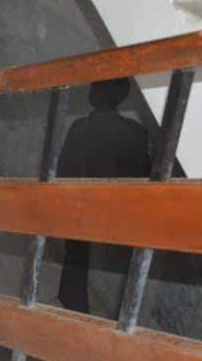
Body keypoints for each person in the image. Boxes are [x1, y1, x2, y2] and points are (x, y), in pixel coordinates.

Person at [56, 78, 152, 314]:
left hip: (83, 207)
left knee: (77, 255)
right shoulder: (136, 132)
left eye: (94, 87)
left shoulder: (80, 128)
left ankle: (73, 301)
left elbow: (63, 171)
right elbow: (143, 175)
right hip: (117, 210)